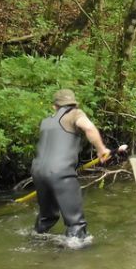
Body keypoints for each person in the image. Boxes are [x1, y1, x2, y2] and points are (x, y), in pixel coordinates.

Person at [31, 89, 111, 244]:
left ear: (54, 106)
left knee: (47, 217)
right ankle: (75, 258)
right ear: (73, 104)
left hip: (38, 172)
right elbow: (89, 127)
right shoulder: (75, 114)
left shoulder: (46, 122)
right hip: (61, 173)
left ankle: (35, 241)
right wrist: (101, 149)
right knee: (76, 224)